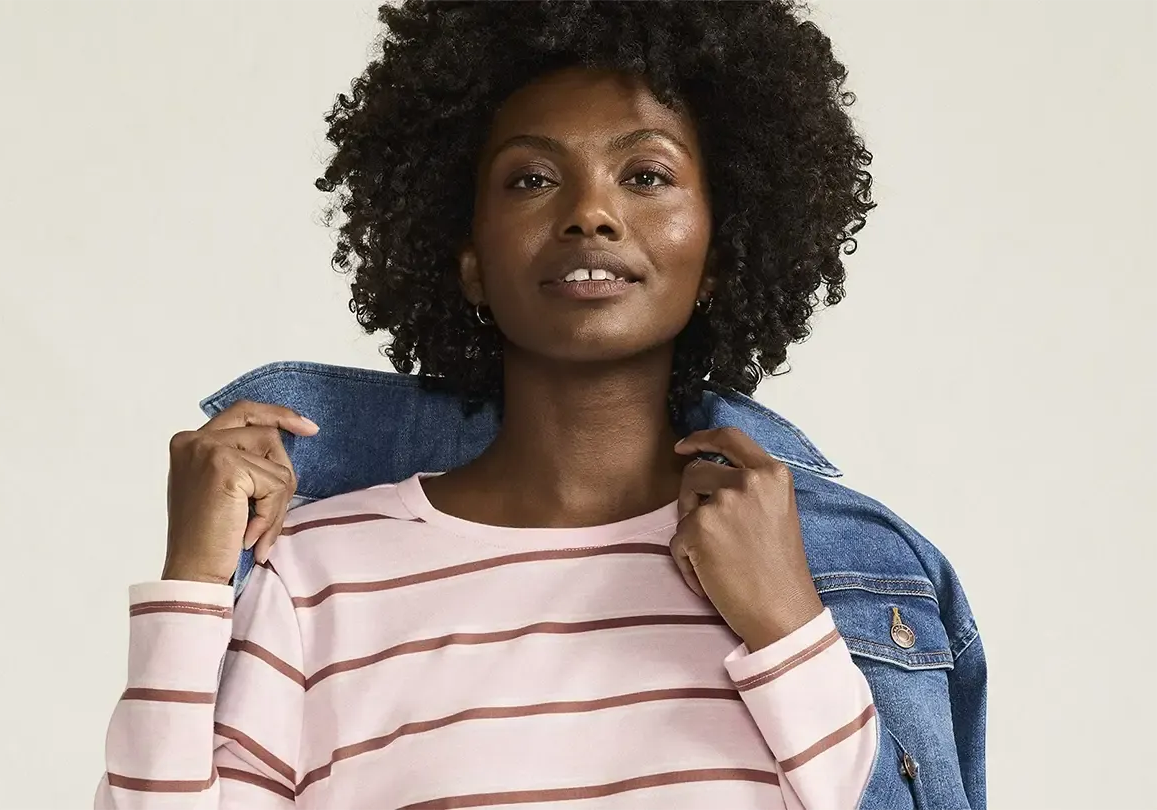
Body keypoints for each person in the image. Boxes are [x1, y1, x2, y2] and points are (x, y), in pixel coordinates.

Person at [95, 2, 986, 808]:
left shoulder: (817, 573)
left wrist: (790, 629)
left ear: (721, 248)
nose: (590, 214)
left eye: (646, 175)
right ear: (469, 256)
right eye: (530, 179)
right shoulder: (316, 574)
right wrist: (194, 582)